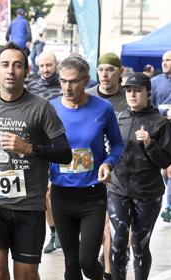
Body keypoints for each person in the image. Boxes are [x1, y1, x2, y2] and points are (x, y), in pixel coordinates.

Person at [0, 42, 72, 280]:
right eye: (5, 65)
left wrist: (29, 148)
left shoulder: (41, 108)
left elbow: (64, 153)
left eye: (17, 65)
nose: (10, 71)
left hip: (29, 206)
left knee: (25, 275)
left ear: (26, 71)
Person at [49, 56, 124, 280]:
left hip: (92, 195)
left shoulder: (103, 108)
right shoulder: (51, 108)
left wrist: (108, 163)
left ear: (85, 81)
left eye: (73, 81)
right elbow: (41, 144)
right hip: (61, 195)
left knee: (87, 262)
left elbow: (118, 144)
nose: (67, 87)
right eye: (62, 81)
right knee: (71, 264)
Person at [107, 73, 171, 280]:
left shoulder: (160, 123)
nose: (132, 94)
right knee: (118, 239)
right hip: (118, 188)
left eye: (137, 90)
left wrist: (150, 143)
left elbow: (165, 162)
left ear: (148, 93)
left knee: (139, 244)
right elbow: (111, 149)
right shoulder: (120, 118)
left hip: (147, 193)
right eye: (128, 90)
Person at [87, 52, 127, 280]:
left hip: (122, 170)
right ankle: (104, 266)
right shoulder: (88, 96)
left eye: (110, 69)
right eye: (101, 69)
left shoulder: (127, 97)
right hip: (92, 169)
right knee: (100, 225)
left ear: (119, 72)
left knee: (115, 227)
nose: (104, 74)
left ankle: (111, 269)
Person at [28, 50, 62, 254]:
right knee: (45, 192)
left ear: (56, 65)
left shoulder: (64, 84)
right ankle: (54, 232)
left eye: (49, 65)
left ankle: (66, 231)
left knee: (59, 190)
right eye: (42, 66)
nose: (45, 69)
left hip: (61, 142)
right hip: (39, 145)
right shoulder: (31, 86)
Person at [151, 50, 171, 222]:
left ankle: (169, 207)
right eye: (163, 59)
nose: (164, 63)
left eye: (168, 60)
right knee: (165, 171)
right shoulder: (155, 82)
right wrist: (165, 112)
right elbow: (149, 107)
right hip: (161, 131)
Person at [29, 7, 47, 75]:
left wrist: (40, 32)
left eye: (31, 11)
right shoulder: (34, 20)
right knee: (32, 56)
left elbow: (44, 25)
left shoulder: (39, 19)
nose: (30, 13)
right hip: (35, 41)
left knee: (40, 56)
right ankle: (34, 71)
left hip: (39, 40)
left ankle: (41, 71)